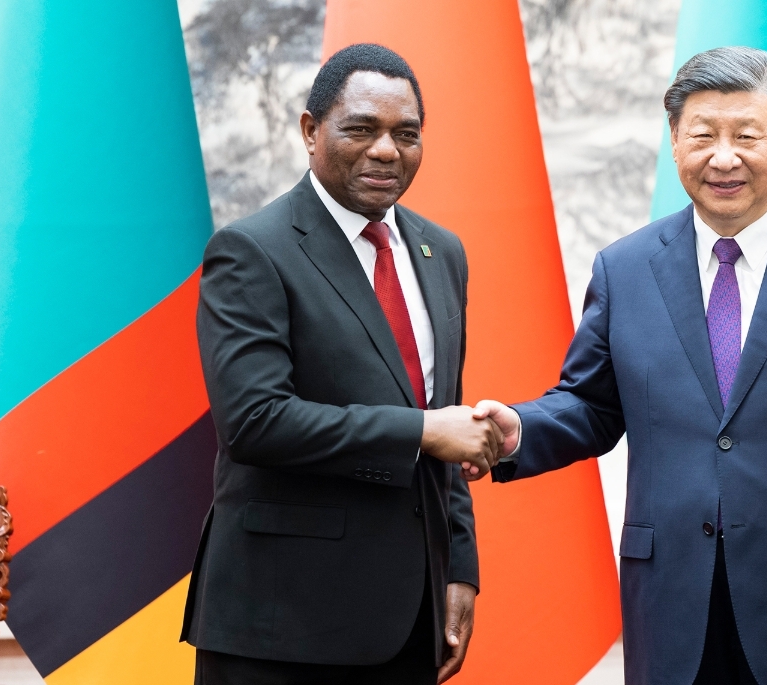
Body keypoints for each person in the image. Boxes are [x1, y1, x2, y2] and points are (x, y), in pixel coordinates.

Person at [476, 46, 767, 684]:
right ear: (675, 141)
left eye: (746, 135)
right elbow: (590, 405)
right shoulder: (626, 269)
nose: (724, 157)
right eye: (702, 135)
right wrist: (518, 429)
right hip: (674, 602)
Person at [181, 43, 504, 685]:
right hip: (282, 626)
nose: (387, 150)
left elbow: (447, 419)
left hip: (410, 620)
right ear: (310, 130)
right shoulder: (251, 251)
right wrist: (421, 432)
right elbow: (254, 422)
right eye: (362, 128)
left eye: (406, 134)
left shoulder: (443, 252)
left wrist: (459, 567)